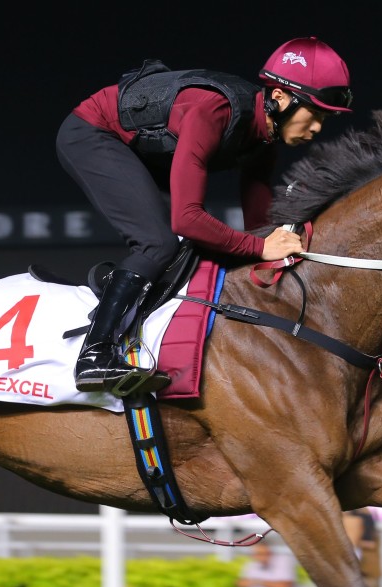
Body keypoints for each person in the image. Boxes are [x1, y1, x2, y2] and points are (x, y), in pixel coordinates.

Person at [56, 37, 353, 396]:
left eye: (326, 117)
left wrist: (279, 246)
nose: (319, 127)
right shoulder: (214, 111)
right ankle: (94, 354)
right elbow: (187, 219)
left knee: (199, 247)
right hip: (92, 133)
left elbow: (258, 229)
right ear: (280, 97)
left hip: (141, 152)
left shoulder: (264, 141)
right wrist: (260, 247)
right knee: (158, 242)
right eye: (315, 112)